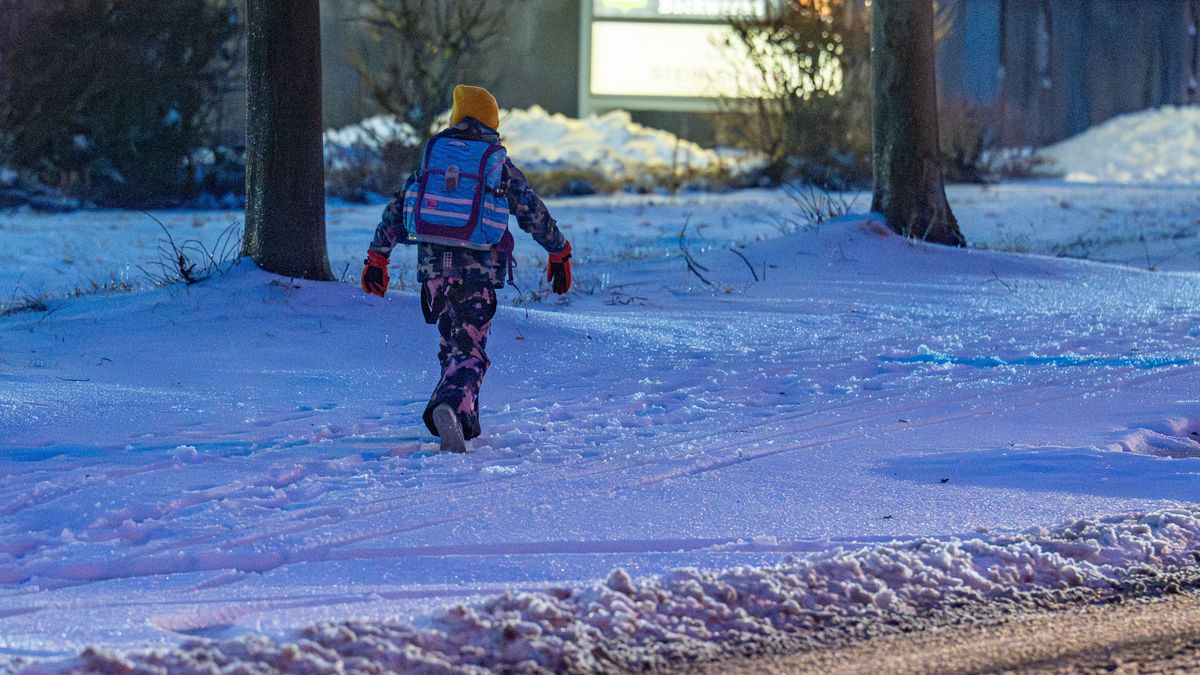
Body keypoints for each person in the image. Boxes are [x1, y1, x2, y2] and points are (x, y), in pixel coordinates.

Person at [361, 84, 573, 452]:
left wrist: (378, 256)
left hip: (433, 272)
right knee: (471, 351)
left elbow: (400, 207)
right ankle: (449, 407)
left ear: (457, 116)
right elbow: (531, 211)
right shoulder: (495, 161)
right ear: (491, 119)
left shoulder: (434, 157)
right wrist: (559, 250)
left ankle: (466, 422)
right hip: (477, 270)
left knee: (452, 345)